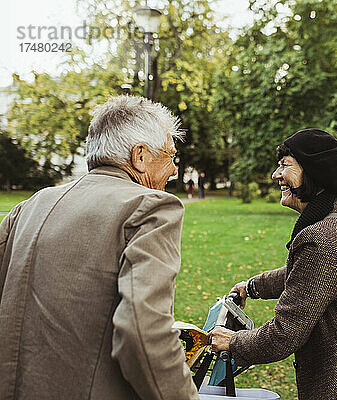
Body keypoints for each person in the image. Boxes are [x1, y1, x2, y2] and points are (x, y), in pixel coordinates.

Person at [0, 96, 198, 400]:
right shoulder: (152, 208)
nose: (173, 169)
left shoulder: (30, 206)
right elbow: (143, 335)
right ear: (141, 156)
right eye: (170, 156)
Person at [209, 129, 337, 399]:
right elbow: (307, 278)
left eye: (285, 165)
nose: (276, 175)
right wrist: (251, 287)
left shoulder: (320, 238)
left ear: (313, 173)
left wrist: (232, 342)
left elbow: (284, 334)